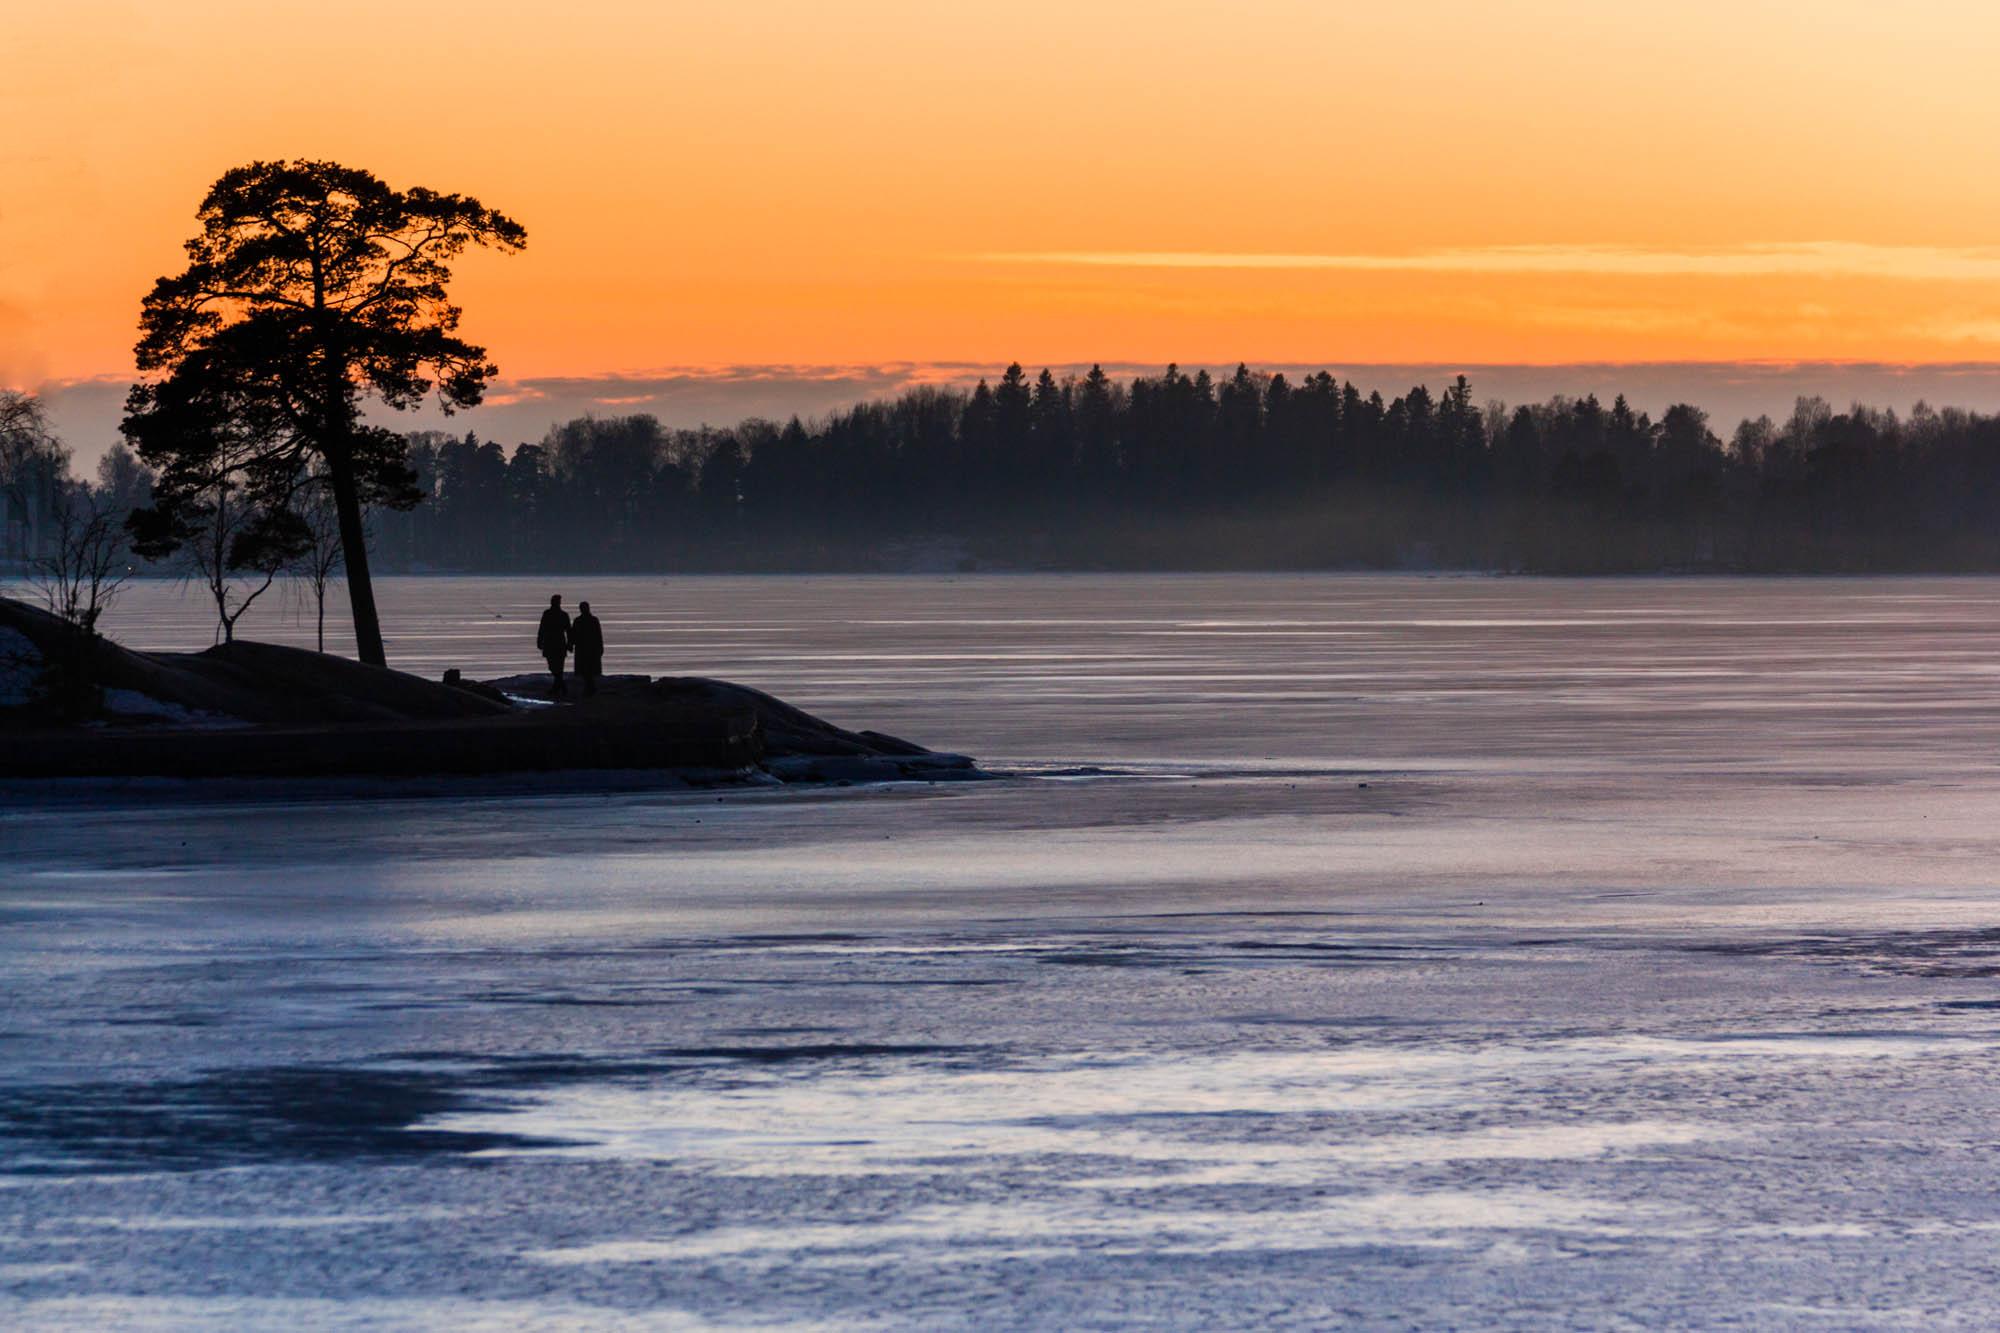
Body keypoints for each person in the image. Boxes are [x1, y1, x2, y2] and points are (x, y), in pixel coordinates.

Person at [536, 594, 571, 698]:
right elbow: (542, 628)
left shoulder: (563, 615)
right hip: (551, 642)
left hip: (557, 642)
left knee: (558, 667)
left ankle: (559, 687)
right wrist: (539, 641)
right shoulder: (548, 613)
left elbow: (568, 630)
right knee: (553, 666)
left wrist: (569, 643)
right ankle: (560, 686)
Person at [570, 600, 604, 697]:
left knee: (587, 668)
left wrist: (571, 643)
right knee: (587, 669)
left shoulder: (581, 620)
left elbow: (598, 635)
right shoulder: (590, 620)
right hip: (587, 648)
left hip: (587, 648)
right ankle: (590, 687)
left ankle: (589, 687)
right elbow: (598, 635)